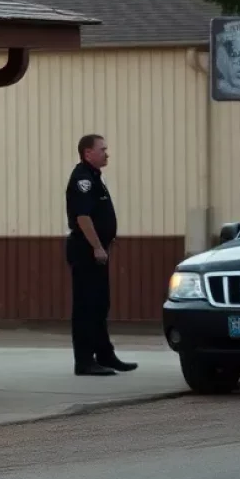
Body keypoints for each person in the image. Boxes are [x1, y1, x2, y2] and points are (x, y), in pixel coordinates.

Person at [65, 133, 137, 377]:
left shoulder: (95, 177)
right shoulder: (82, 179)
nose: (107, 153)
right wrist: (97, 246)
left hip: (98, 250)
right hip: (86, 251)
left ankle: (105, 354)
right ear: (88, 153)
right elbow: (82, 217)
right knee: (86, 306)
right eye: (102, 149)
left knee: (99, 305)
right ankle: (84, 361)